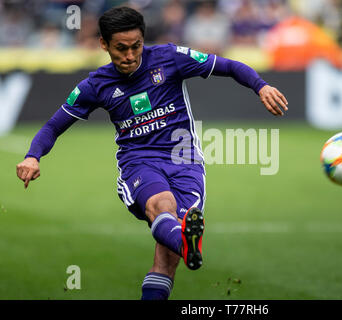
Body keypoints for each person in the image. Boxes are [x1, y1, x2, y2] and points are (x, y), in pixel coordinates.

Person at [15, 6, 288, 300]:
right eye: (121, 48)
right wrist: (33, 155)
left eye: (136, 46)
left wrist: (261, 86)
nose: (130, 56)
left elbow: (229, 66)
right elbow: (54, 125)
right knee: (163, 203)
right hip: (139, 163)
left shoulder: (170, 58)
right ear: (104, 44)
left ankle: (182, 243)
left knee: (166, 262)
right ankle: (187, 241)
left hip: (186, 162)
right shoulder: (95, 85)